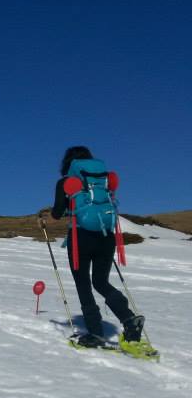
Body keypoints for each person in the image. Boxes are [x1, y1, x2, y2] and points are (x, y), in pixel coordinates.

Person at [39, 146, 144, 348]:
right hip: (106, 236)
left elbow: (57, 213)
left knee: (83, 284)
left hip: (81, 238)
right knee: (101, 282)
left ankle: (95, 333)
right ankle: (130, 320)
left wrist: (45, 220)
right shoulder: (103, 180)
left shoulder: (67, 182)